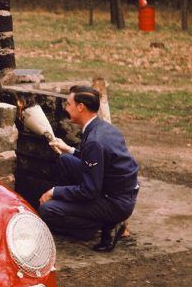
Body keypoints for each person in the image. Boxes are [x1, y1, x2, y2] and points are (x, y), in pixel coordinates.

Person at [38, 86, 139, 252]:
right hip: (115, 190)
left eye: (69, 104)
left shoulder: (94, 140)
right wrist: (69, 149)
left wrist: (55, 192)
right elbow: (98, 163)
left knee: (48, 210)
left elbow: (89, 191)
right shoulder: (103, 128)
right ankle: (81, 211)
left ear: (80, 107)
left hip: (115, 202)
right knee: (65, 160)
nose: (66, 108)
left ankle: (101, 226)